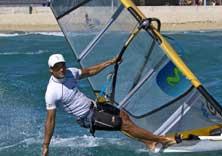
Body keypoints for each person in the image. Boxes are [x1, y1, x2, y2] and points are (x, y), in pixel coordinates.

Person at [42, 54, 178, 156]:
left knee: (123, 115)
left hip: (94, 105)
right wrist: (46, 145)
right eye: (57, 67)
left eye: (62, 65)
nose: (61, 69)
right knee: (123, 125)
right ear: (51, 70)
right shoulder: (52, 92)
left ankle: (149, 142)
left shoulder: (70, 73)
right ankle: (163, 140)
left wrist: (110, 62)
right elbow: (50, 120)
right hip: (87, 117)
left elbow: (89, 71)